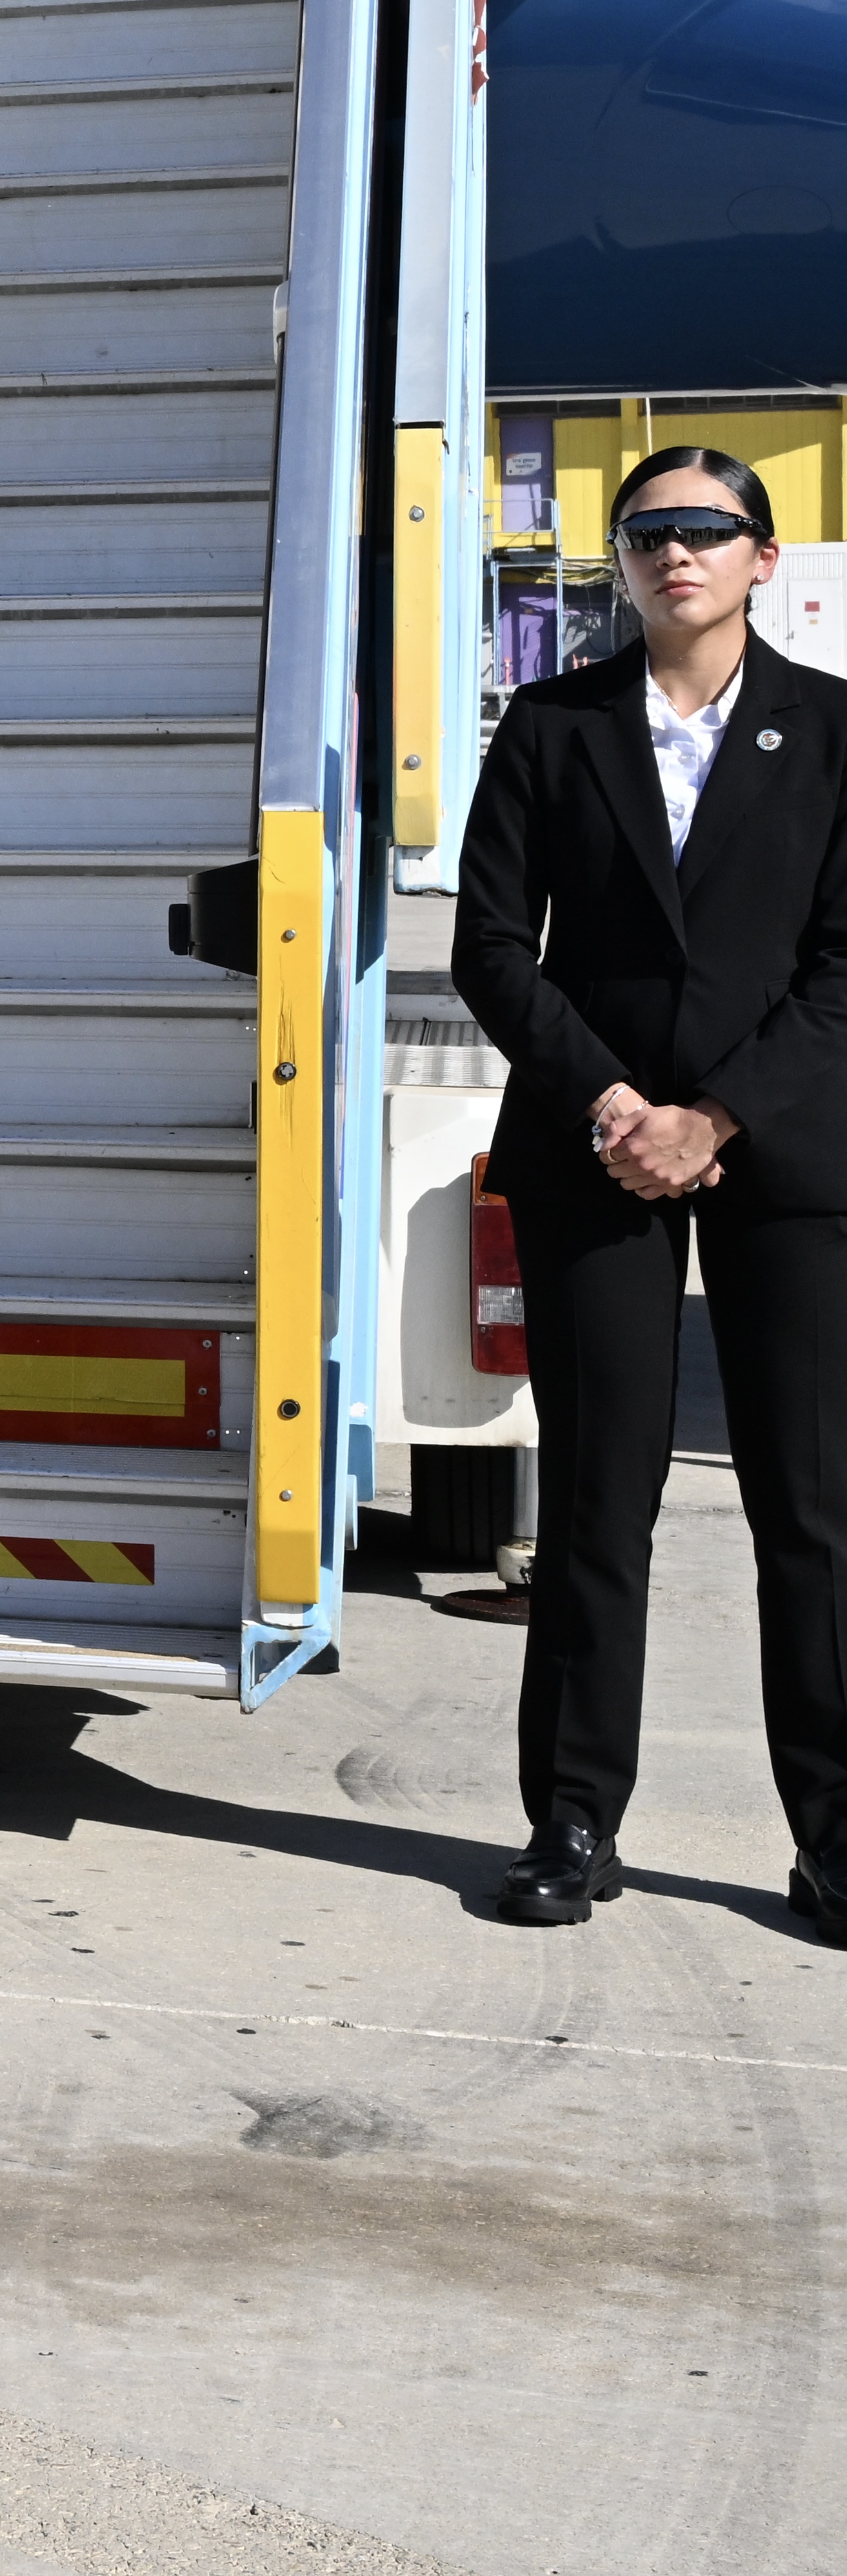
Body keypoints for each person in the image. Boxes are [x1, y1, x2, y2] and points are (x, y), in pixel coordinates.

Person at [450, 448, 847, 1940]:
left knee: (807, 1513)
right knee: (597, 1504)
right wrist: (619, 1105)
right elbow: (487, 945)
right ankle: (568, 1820)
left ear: (758, 555)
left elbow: (838, 967)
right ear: (616, 564)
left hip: (785, 1154)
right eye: (645, 532)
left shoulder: (827, 732)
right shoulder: (549, 727)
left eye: (702, 529)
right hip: (592, 1150)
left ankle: (828, 1839)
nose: (672, 551)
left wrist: (718, 1113)